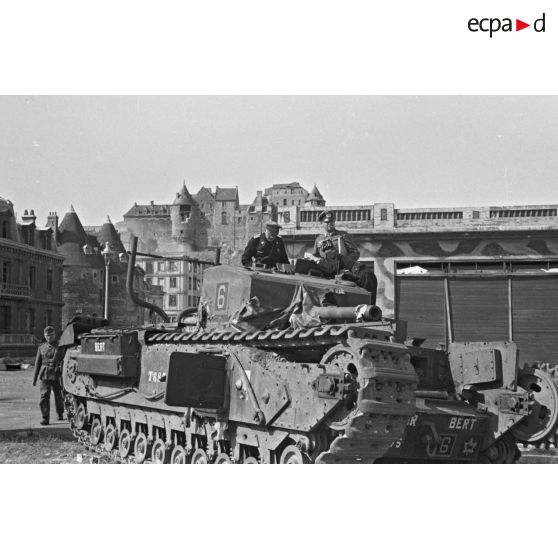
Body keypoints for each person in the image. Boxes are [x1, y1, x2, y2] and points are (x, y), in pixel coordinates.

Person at [311, 211, 378, 303]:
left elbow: (355, 253)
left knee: (365, 278)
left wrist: (346, 264)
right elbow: (316, 256)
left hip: (344, 269)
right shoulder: (318, 239)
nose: (330, 224)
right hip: (327, 271)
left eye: (332, 222)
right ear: (322, 224)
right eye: (327, 222)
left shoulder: (342, 235)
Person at [32, 326, 65, 425]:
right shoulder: (41, 347)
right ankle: (45, 418)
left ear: (55, 335)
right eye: (47, 336)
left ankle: (60, 413)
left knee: (58, 395)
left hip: (57, 373)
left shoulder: (61, 346)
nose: (49, 337)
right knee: (44, 396)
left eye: (51, 335)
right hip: (45, 374)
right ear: (44, 336)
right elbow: (37, 364)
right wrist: (34, 378)